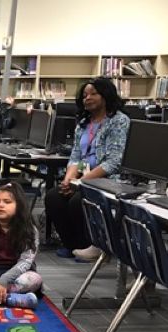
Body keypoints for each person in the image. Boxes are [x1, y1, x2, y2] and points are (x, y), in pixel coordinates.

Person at [44, 77, 129, 261]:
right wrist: (68, 180)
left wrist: (81, 182)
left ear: (106, 96)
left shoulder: (119, 121)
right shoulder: (83, 123)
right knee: (54, 196)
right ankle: (71, 244)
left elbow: (114, 161)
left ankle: (92, 246)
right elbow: (76, 156)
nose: (87, 98)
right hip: (82, 177)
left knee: (78, 200)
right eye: (84, 95)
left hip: (108, 180)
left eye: (93, 94)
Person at [0, 183, 43, 306]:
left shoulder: (30, 230)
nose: (0, 205)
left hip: (16, 275)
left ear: (19, 206)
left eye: (7, 202)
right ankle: (9, 298)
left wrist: (4, 281)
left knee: (34, 280)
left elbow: (25, 261)